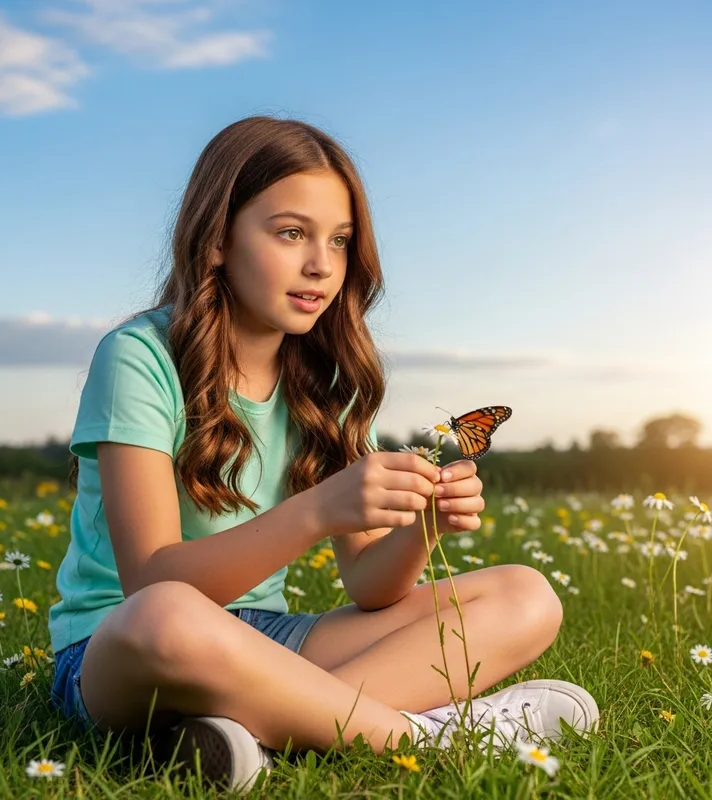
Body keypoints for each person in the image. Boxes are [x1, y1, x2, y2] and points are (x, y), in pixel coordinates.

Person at [48, 115, 599, 791]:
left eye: (339, 241)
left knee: (526, 596)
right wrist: (316, 512)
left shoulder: (324, 382)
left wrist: (422, 526)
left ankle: (248, 734)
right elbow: (152, 583)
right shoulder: (139, 358)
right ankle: (428, 736)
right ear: (216, 239)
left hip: (269, 638)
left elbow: (371, 585)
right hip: (120, 649)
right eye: (290, 233)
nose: (321, 265)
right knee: (168, 617)